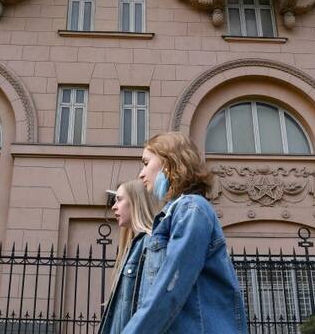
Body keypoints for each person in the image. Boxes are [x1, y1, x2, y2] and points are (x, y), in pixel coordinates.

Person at [121, 132, 248, 334]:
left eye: (146, 163)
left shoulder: (192, 208)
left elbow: (171, 283)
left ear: (168, 162)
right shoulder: (174, 212)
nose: (141, 174)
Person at [98, 179, 161, 334]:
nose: (113, 206)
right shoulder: (135, 245)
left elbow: (150, 305)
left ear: (136, 202)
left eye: (119, 199)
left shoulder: (151, 244)